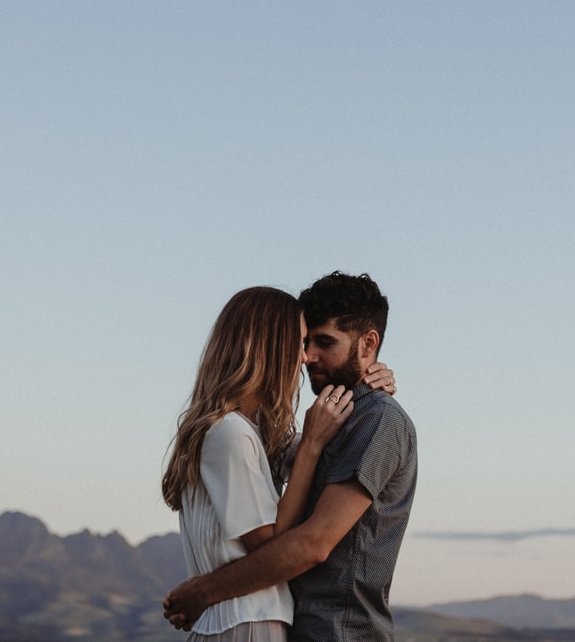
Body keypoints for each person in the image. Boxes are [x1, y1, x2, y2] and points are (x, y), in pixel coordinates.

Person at [165, 273, 417, 642]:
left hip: (339, 634)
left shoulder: (376, 420)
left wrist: (204, 591)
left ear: (368, 345)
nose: (307, 357)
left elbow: (311, 545)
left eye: (323, 343)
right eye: (303, 341)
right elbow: (294, 457)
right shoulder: (257, 431)